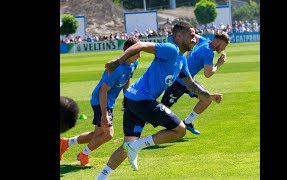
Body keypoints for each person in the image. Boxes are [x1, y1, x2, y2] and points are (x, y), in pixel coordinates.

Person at [96, 21, 223, 179]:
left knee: (126, 146)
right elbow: (140, 45)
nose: (194, 40)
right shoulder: (170, 49)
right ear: (178, 36)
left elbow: (191, 85)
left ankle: (101, 177)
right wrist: (117, 62)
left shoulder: (182, 61)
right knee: (180, 130)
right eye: (191, 36)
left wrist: (208, 96)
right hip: (142, 100)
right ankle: (137, 146)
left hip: (132, 98)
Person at [60, 37, 140, 166]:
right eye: (137, 52)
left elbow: (127, 79)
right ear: (129, 52)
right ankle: (83, 155)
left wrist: (127, 98)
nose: (140, 56)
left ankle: (65, 143)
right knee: (108, 134)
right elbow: (103, 91)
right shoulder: (117, 69)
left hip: (108, 101)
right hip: (100, 100)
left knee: (97, 135)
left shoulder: (133, 64)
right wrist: (104, 114)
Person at [161, 30, 230, 134]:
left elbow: (192, 34)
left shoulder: (204, 41)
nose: (223, 49)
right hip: (178, 82)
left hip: (189, 82)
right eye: (224, 46)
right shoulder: (208, 52)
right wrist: (219, 64)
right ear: (219, 41)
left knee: (206, 99)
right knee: (161, 110)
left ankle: (188, 122)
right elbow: (208, 74)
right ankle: (138, 121)